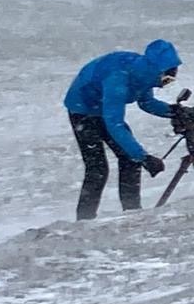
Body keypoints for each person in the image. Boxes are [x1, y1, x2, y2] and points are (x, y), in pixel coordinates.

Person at [62, 38, 181, 220]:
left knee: (130, 159)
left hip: (106, 108)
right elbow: (114, 124)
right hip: (82, 109)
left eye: (172, 79)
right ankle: (84, 220)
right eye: (167, 78)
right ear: (156, 70)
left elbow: (146, 102)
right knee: (98, 169)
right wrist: (145, 157)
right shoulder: (119, 78)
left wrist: (175, 111)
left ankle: (132, 212)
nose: (168, 83)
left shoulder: (144, 74)